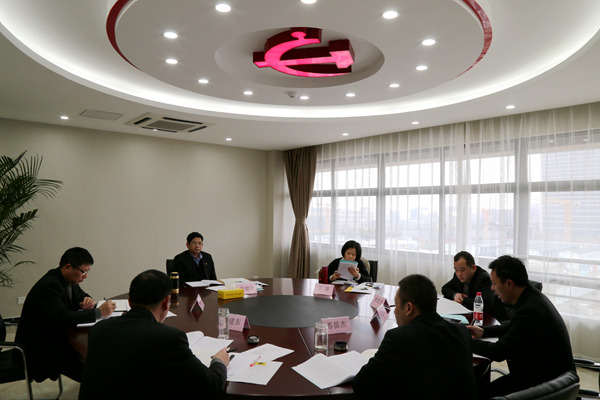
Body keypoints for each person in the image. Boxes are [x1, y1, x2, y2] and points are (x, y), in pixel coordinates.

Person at [79, 269, 229, 400]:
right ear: (166, 302)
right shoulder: (168, 338)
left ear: (129, 302)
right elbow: (212, 387)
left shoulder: (99, 329)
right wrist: (218, 361)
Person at [353, 274, 476, 399]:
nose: (394, 311)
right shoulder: (462, 332)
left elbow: (361, 385)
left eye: (396, 305)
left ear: (408, 308)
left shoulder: (399, 338)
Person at [468, 255, 576, 397]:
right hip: (544, 376)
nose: (492, 288)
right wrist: (483, 331)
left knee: (478, 394)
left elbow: (499, 352)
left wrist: (466, 340)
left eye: (494, 283)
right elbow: (514, 324)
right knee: (480, 390)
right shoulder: (533, 298)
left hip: (545, 388)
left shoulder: (530, 311)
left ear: (509, 283)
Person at [14, 247, 116, 382]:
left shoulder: (69, 280)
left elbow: (81, 295)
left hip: (57, 336)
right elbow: (62, 317)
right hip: (41, 349)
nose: (85, 276)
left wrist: (87, 300)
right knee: (93, 369)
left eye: (87, 271)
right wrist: (98, 312)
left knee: (97, 359)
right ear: (68, 267)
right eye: (83, 271)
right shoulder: (50, 285)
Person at [442, 251, 508, 321]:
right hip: (469, 315)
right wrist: (455, 294)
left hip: (490, 319)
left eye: (462, 270)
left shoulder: (484, 279)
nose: (459, 274)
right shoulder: (458, 276)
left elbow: (485, 304)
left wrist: (463, 299)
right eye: (456, 270)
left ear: (473, 268)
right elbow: (445, 288)